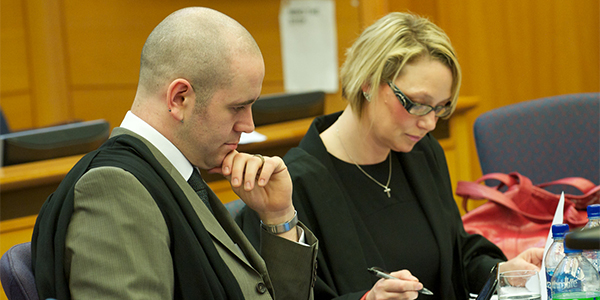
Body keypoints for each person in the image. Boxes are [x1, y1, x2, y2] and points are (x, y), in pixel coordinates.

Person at [238, 12, 543, 300]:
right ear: (368, 82)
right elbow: (296, 295)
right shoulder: (297, 184)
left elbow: (456, 255)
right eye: (417, 103)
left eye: (440, 108)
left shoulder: (422, 153)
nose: (429, 123)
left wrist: (502, 271)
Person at [31, 7, 318, 300]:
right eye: (237, 107)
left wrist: (278, 216)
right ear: (179, 98)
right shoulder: (114, 189)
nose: (248, 125)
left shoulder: (174, 173)